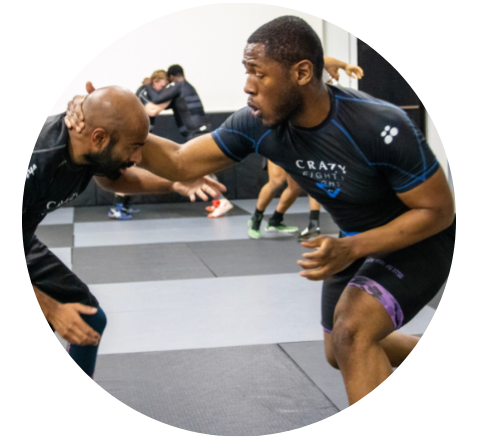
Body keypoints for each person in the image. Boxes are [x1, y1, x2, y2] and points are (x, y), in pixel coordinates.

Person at [66, 15, 455, 409]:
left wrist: (353, 250)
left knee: (352, 335)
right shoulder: (256, 123)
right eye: (245, 71)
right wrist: (108, 121)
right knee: (338, 352)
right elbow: (182, 162)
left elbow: (437, 212)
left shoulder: (380, 125)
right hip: (351, 245)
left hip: (417, 241)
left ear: (302, 73)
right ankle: (445, 363)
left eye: (258, 73)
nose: (247, 85)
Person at [24, 86, 226, 381]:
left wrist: (173, 184)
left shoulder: (90, 148)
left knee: (90, 318)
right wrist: (50, 307)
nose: (139, 155)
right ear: (98, 137)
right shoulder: (39, 160)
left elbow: (114, 180)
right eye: (133, 147)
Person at [249, 57, 364, 239]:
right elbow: (324, 59)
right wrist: (345, 65)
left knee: (300, 186)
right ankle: (255, 219)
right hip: (279, 134)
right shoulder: (312, 70)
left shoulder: (330, 89)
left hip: (304, 139)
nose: (336, 75)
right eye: (334, 71)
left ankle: (281, 221)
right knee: (277, 181)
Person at [142, 64, 234, 218]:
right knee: (204, 170)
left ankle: (222, 201)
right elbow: (163, 105)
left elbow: (157, 99)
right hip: (200, 131)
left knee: (202, 170)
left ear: (171, 78)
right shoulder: (186, 87)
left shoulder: (180, 86)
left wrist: (147, 86)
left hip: (197, 133)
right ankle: (219, 201)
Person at [108, 70, 172, 220]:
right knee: (127, 172)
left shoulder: (153, 93)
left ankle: (125, 206)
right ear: (155, 82)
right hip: (131, 140)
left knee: (134, 172)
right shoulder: (144, 91)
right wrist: (170, 99)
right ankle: (116, 209)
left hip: (141, 139)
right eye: (162, 86)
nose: (163, 90)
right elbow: (151, 110)